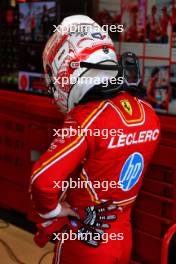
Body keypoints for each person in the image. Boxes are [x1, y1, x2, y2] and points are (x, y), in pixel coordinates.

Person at [30, 15, 160, 264]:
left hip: (85, 240)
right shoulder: (149, 114)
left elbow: (42, 181)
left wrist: (55, 210)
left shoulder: (85, 117)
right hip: (123, 237)